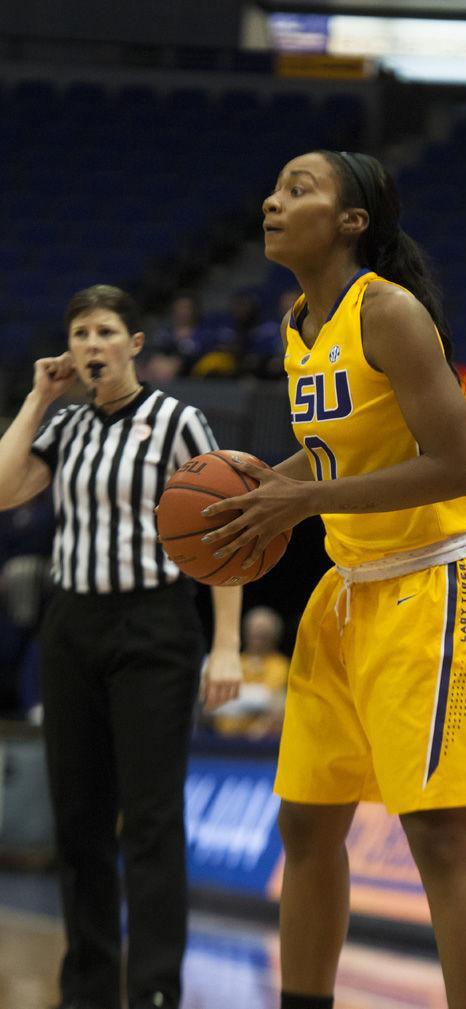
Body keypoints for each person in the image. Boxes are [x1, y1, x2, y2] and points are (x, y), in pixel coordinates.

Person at [201, 150, 466, 1009]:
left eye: (300, 190)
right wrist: (262, 488)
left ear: (352, 222)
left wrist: (303, 500)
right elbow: (333, 452)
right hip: (350, 588)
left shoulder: (390, 312)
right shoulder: (297, 323)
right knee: (305, 820)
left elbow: (458, 466)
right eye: (273, 187)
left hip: (434, 586)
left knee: (437, 836)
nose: (274, 200)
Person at [0, 284, 242, 1009]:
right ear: (68, 350)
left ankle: (157, 988)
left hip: (155, 628)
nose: (92, 344)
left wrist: (226, 643)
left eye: (106, 330)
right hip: (73, 626)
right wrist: (38, 399)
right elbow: (5, 487)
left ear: (135, 344)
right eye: (80, 333)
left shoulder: (178, 420)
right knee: (77, 819)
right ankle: (89, 988)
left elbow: (227, 530)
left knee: (150, 817)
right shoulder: (65, 424)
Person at [212, 605, 289, 738]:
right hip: (222, 738)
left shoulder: (280, 665)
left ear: (273, 636)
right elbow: (216, 702)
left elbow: (272, 701)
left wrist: (236, 698)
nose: (257, 638)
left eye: (263, 634)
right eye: (254, 632)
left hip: (260, 742)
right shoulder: (231, 662)